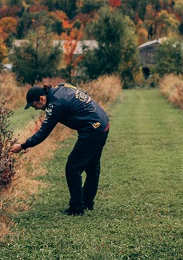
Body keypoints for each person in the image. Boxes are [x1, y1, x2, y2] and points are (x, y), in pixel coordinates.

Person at [10, 82, 110, 216]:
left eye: (35, 106)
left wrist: (22, 146)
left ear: (41, 98)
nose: (37, 109)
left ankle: (76, 208)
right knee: (92, 167)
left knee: (73, 167)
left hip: (93, 128)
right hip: (103, 122)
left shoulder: (56, 104)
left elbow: (44, 132)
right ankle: (87, 203)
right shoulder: (61, 88)